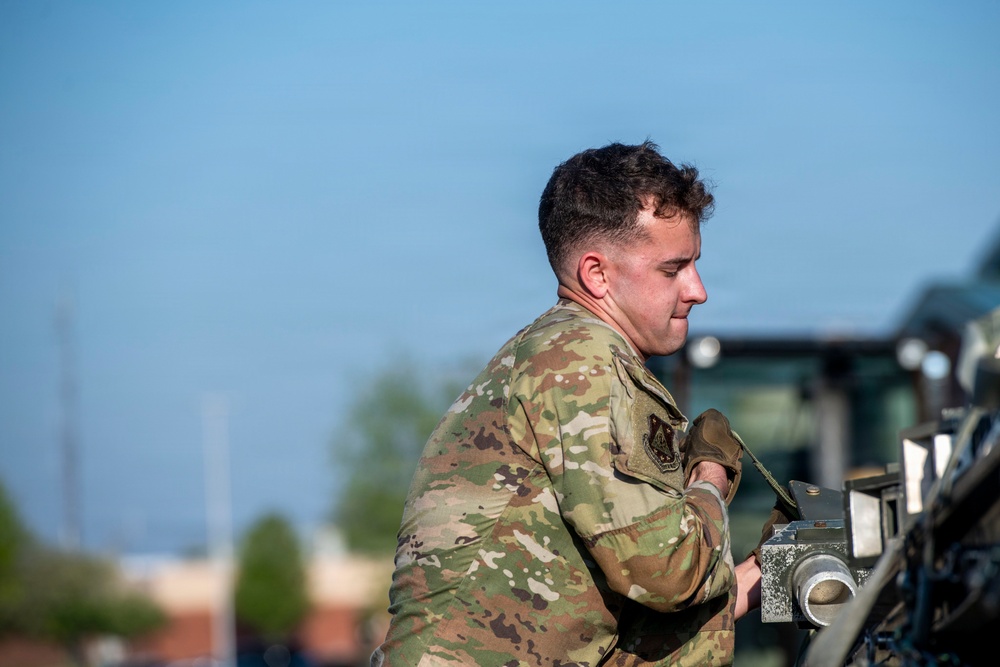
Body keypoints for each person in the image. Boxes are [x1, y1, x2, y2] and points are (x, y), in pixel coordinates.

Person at [371, 141, 764, 666]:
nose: (698, 290)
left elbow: (641, 618)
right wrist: (710, 475)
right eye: (673, 269)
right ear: (597, 274)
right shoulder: (578, 361)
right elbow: (666, 571)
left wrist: (771, 568)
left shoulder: (572, 354)